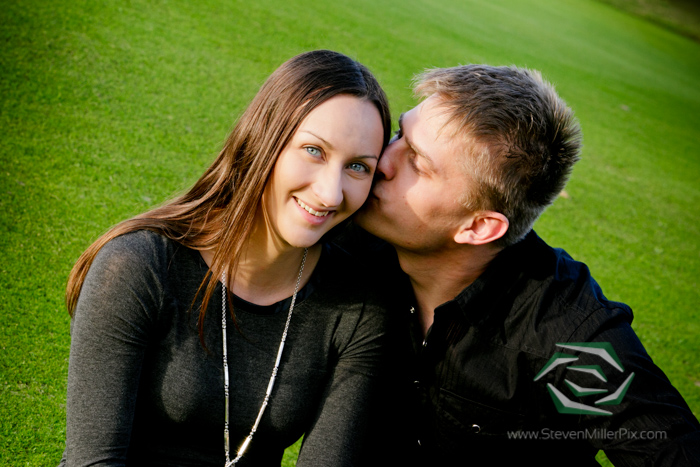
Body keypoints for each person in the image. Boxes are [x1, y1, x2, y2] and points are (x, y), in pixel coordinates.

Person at [58, 49, 393, 467]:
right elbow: (94, 462)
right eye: (313, 151)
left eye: (358, 167)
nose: (330, 193)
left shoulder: (358, 308)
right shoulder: (139, 266)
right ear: (264, 139)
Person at [352, 65, 700, 465]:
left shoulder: (564, 333)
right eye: (400, 134)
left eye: (417, 162)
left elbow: (671, 450)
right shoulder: (350, 236)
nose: (380, 161)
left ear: (479, 227)